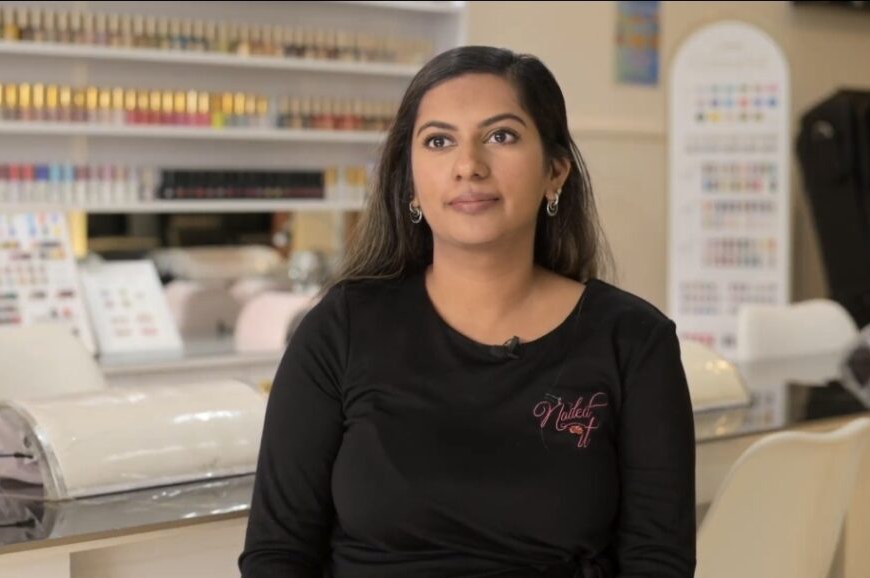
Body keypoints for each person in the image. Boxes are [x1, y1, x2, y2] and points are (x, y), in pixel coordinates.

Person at [239, 45, 695, 578]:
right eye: (438, 141)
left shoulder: (635, 342)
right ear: (409, 181)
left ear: (555, 171)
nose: (469, 166)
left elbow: (658, 563)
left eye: (501, 136)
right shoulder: (341, 328)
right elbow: (277, 553)